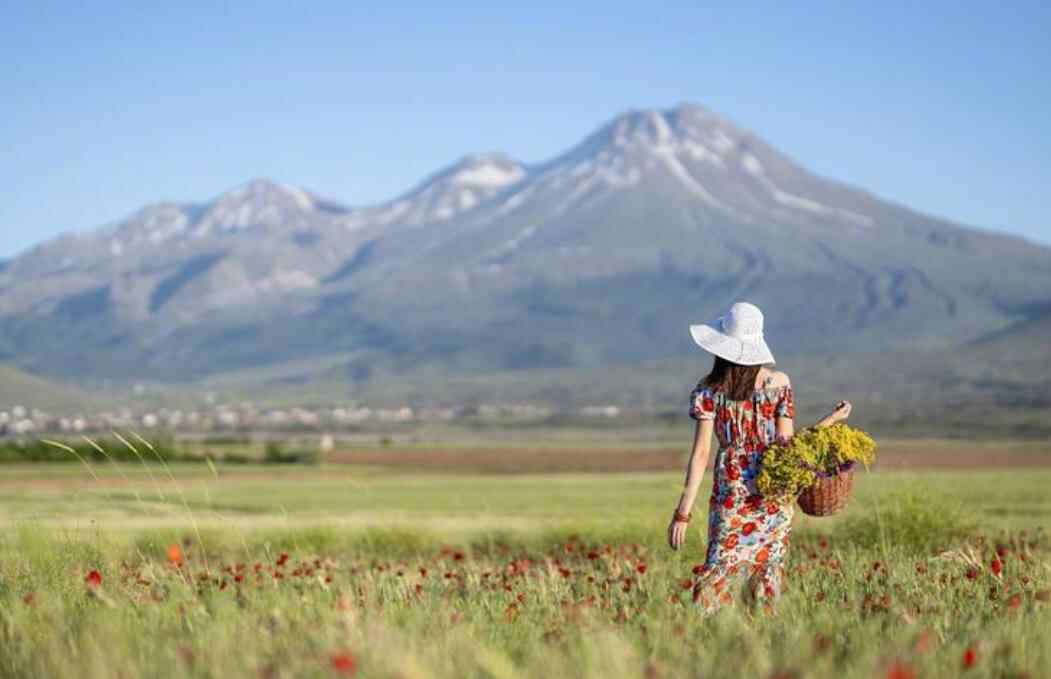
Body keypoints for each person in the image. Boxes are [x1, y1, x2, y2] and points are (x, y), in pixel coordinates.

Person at [667, 301, 852, 614]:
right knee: (767, 574)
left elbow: (701, 455)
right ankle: (763, 644)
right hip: (773, 495)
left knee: (719, 569)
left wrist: (683, 513)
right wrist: (828, 423)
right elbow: (788, 447)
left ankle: (705, 641)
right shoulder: (778, 384)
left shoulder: (709, 391)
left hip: (732, 496)